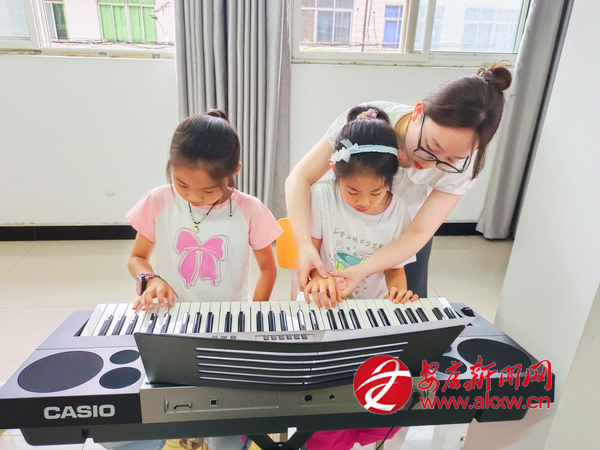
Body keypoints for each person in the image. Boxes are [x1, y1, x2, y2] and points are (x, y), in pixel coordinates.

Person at [286, 63, 512, 307]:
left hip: (402, 233)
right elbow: (300, 178)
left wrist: (363, 270)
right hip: (337, 227)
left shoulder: (465, 164)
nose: (431, 163)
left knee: (403, 307)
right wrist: (305, 245)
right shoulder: (367, 121)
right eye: (431, 147)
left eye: (451, 160)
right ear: (418, 113)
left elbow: (417, 232)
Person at [120, 109, 282, 450]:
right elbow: (137, 258)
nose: (193, 197)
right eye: (181, 184)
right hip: (171, 320)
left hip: (228, 322)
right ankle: (185, 434)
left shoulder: (249, 210)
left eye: (207, 190)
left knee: (224, 423)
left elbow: (268, 269)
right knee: (151, 410)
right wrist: (151, 279)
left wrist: (255, 316)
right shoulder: (159, 200)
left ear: (233, 172)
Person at [303, 105, 418, 307]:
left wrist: (398, 292)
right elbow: (311, 255)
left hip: (371, 307)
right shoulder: (322, 196)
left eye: (376, 192)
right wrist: (319, 278)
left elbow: (394, 268)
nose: (364, 202)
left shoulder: (398, 210)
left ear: (391, 178)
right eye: (353, 191)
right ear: (335, 171)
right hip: (324, 302)